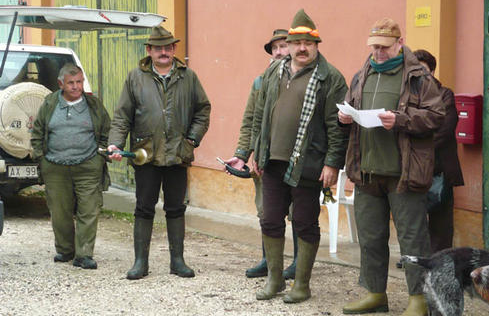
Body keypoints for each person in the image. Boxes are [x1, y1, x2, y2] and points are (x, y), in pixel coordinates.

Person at [339, 18, 444, 316]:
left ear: (400, 43)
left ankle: (419, 299)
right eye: (374, 46)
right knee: (370, 235)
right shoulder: (362, 74)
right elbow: (350, 106)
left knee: (413, 239)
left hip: (404, 172)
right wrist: (345, 118)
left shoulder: (418, 77)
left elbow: (437, 115)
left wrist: (401, 120)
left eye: (384, 47)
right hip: (367, 170)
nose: (378, 52)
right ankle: (375, 292)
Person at [252, 9, 349, 303]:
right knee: (270, 219)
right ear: (290, 45)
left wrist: (332, 163)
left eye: (308, 43)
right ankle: (275, 279)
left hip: (309, 163)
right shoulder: (274, 71)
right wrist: (256, 150)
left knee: (305, 222)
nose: (302, 48)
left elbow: (337, 126)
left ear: (316, 45)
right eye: (297, 43)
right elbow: (260, 113)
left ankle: (302, 285)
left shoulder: (330, 78)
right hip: (272, 161)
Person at [108, 25, 211, 280]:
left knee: (176, 208)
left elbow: (203, 110)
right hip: (146, 155)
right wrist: (115, 144)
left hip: (177, 154)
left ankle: (178, 261)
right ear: (149, 50)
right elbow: (122, 116)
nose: (163, 52)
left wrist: (192, 140)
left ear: (174, 49)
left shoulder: (188, 77)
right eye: (158, 48)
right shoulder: (135, 78)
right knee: (144, 208)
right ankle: (140, 262)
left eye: (168, 47)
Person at [223, 29, 299, 279]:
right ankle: (269, 260)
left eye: (283, 46)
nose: (279, 52)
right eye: (274, 48)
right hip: (266, 159)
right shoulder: (260, 81)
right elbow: (250, 120)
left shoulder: (306, 79)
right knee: (266, 211)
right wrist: (242, 154)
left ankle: (299, 264)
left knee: (299, 212)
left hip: (296, 157)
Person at [31, 63, 111, 269]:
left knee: (89, 210)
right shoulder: (50, 103)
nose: (76, 87)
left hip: (88, 166)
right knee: (60, 212)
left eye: (79, 82)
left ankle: (84, 255)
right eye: (71, 83)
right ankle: (65, 250)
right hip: (55, 167)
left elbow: (106, 130)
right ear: (61, 84)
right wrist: (41, 158)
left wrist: (100, 156)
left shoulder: (94, 105)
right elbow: (37, 131)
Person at [413, 49, 464, 253]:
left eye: (423, 69)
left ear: (432, 72)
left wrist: (416, 147)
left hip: (440, 168)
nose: (419, 74)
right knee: (413, 218)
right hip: (413, 169)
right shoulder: (407, 94)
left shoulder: (445, 94)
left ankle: (441, 259)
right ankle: (416, 256)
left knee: (441, 223)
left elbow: (445, 129)